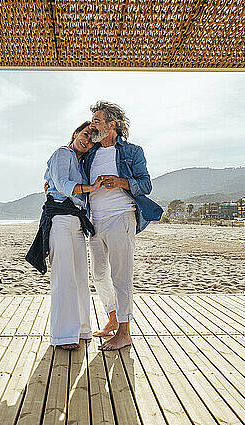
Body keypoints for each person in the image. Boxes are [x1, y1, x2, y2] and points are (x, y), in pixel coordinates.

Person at [83, 101, 163, 351]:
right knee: (98, 273)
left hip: (121, 217)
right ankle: (113, 318)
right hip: (95, 220)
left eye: (97, 121)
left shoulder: (132, 152)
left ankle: (125, 333)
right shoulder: (91, 154)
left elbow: (146, 184)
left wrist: (120, 182)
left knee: (121, 275)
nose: (92, 125)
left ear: (112, 125)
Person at [26, 121, 103, 351]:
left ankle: (82, 329)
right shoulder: (63, 153)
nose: (87, 140)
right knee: (63, 277)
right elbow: (61, 184)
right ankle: (63, 336)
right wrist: (92, 187)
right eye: (85, 134)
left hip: (76, 221)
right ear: (76, 132)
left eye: (91, 140)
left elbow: (59, 184)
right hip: (59, 219)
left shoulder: (80, 163)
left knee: (80, 277)